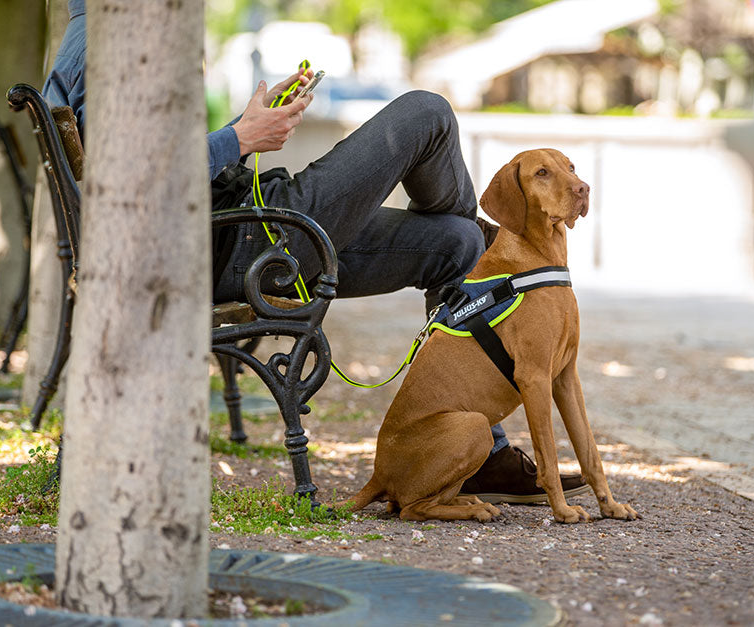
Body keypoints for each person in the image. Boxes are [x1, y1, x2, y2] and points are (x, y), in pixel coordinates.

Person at [42, 0, 588, 504]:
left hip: (241, 232)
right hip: (246, 244)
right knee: (427, 113)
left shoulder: (101, 35)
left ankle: (482, 451)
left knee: (457, 242)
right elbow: (128, 183)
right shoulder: (110, 40)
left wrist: (241, 127)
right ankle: (510, 253)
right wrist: (240, 138)